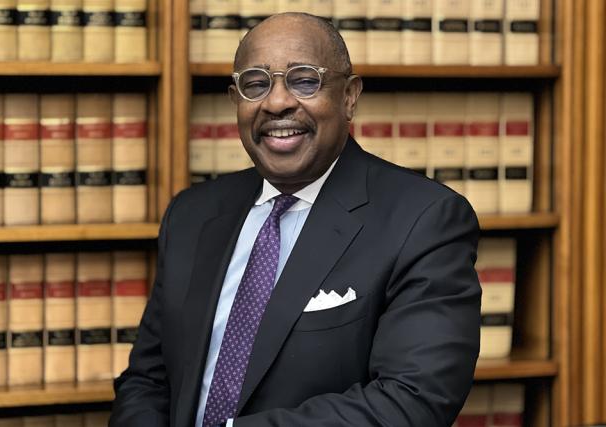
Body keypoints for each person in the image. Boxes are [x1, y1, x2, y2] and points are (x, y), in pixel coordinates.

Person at [110, 12, 481, 427]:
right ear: (236, 100)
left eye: (305, 80)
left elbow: (413, 400)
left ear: (349, 97)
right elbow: (147, 380)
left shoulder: (424, 220)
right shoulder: (191, 215)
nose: (277, 102)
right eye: (255, 84)